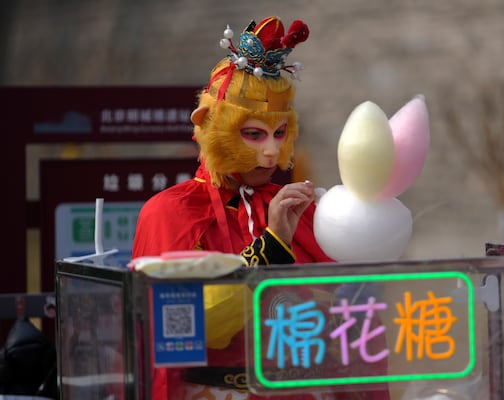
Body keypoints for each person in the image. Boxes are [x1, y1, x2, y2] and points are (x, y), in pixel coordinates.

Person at [132, 16, 389, 400]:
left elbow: (350, 327)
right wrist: (272, 246)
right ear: (210, 126)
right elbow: (189, 329)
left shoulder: (296, 208)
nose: (271, 152)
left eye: (279, 133)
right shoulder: (170, 213)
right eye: (253, 134)